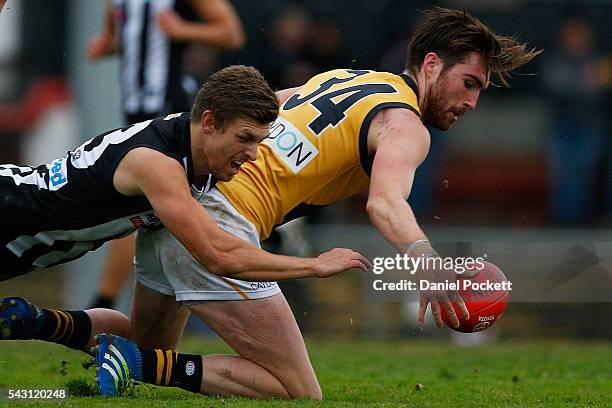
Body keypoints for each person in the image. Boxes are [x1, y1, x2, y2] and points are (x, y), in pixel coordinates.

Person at [1, 8, 540, 400]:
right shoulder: (407, 124)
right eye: (467, 83)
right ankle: (138, 364)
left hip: (187, 204)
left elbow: (275, 105)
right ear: (429, 65)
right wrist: (429, 268)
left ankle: (33, 321)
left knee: (144, 347)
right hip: (224, 222)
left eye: (480, 91)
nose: (470, 101)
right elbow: (385, 204)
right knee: (297, 389)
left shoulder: (345, 80)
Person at [0, 65, 369, 347]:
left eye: (260, 140)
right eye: (245, 138)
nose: (254, 154)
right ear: (209, 121)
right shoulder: (158, 165)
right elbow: (219, 256)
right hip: (7, 213)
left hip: (20, 239)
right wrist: (315, 265)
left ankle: (33, 321)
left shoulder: (198, 142)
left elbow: (300, 98)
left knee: (147, 350)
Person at [86, 0, 246, 309]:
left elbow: (231, 33)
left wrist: (182, 29)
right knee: (145, 205)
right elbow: (121, 35)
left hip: (169, 109)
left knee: (138, 202)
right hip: (135, 111)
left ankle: (104, 303)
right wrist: (107, 45)